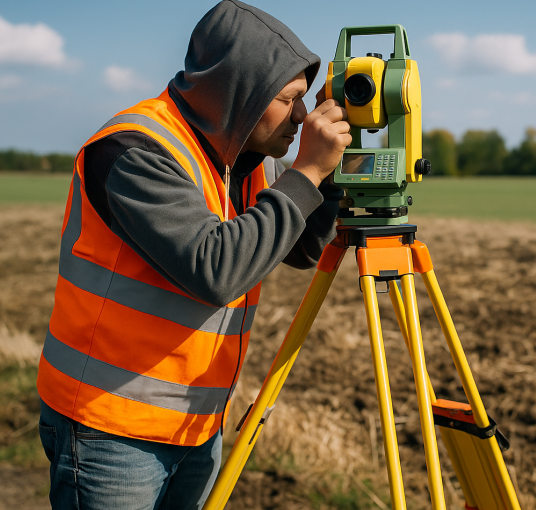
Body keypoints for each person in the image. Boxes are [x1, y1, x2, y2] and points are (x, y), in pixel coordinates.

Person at [35, 1, 352, 508]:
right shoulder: (135, 151)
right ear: (239, 91)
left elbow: (296, 247)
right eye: (290, 99)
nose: (301, 115)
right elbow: (216, 269)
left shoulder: (240, 160)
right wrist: (306, 173)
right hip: (111, 428)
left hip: (196, 424)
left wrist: (332, 176)